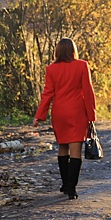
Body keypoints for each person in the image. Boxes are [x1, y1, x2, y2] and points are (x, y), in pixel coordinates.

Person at [33, 38, 97, 199]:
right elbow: (88, 92)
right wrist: (91, 115)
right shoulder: (82, 65)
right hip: (77, 112)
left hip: (59, 112)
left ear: (57, 51)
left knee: (63, 147)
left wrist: (39, 116)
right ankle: (71, 188)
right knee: (75, 150)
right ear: (73, 50)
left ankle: (64, 183)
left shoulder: (51, 69)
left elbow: (48, 94)